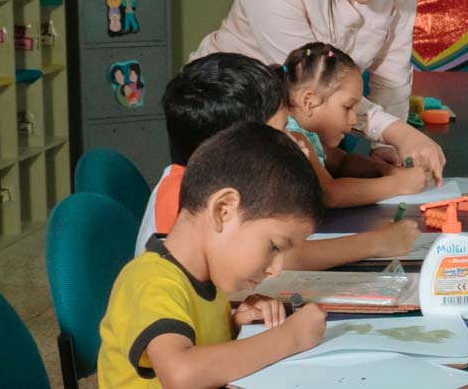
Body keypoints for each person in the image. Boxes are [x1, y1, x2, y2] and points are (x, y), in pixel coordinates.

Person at [193, 0, 446, 183]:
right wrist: (398, 132)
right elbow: (311, 79)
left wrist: (386, 146)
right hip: (229, 114)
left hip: (309, 116)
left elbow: (393, 65)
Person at [96, 123, 328, 388]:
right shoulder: (151, 281)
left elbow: (197, 344)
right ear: (223, 211)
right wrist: (291, 338)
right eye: (274, 247)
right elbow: (180, 374)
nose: (276, 269)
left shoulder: (208, 278)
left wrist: (235, 325)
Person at [140, 53, 418, 270]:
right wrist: (376, 243)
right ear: (232, 149)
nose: (294, 142)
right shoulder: (181, 200)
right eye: (282, 131)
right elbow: (281, 261)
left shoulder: (227, 183)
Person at [280, 42, 433, 209]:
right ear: (308, 101)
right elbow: (327, 194)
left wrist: (388, 171)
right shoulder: (291, 135)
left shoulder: (307, 134)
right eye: (347, 107)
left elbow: (343, 162)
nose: (353, 120)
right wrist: (397, 183)